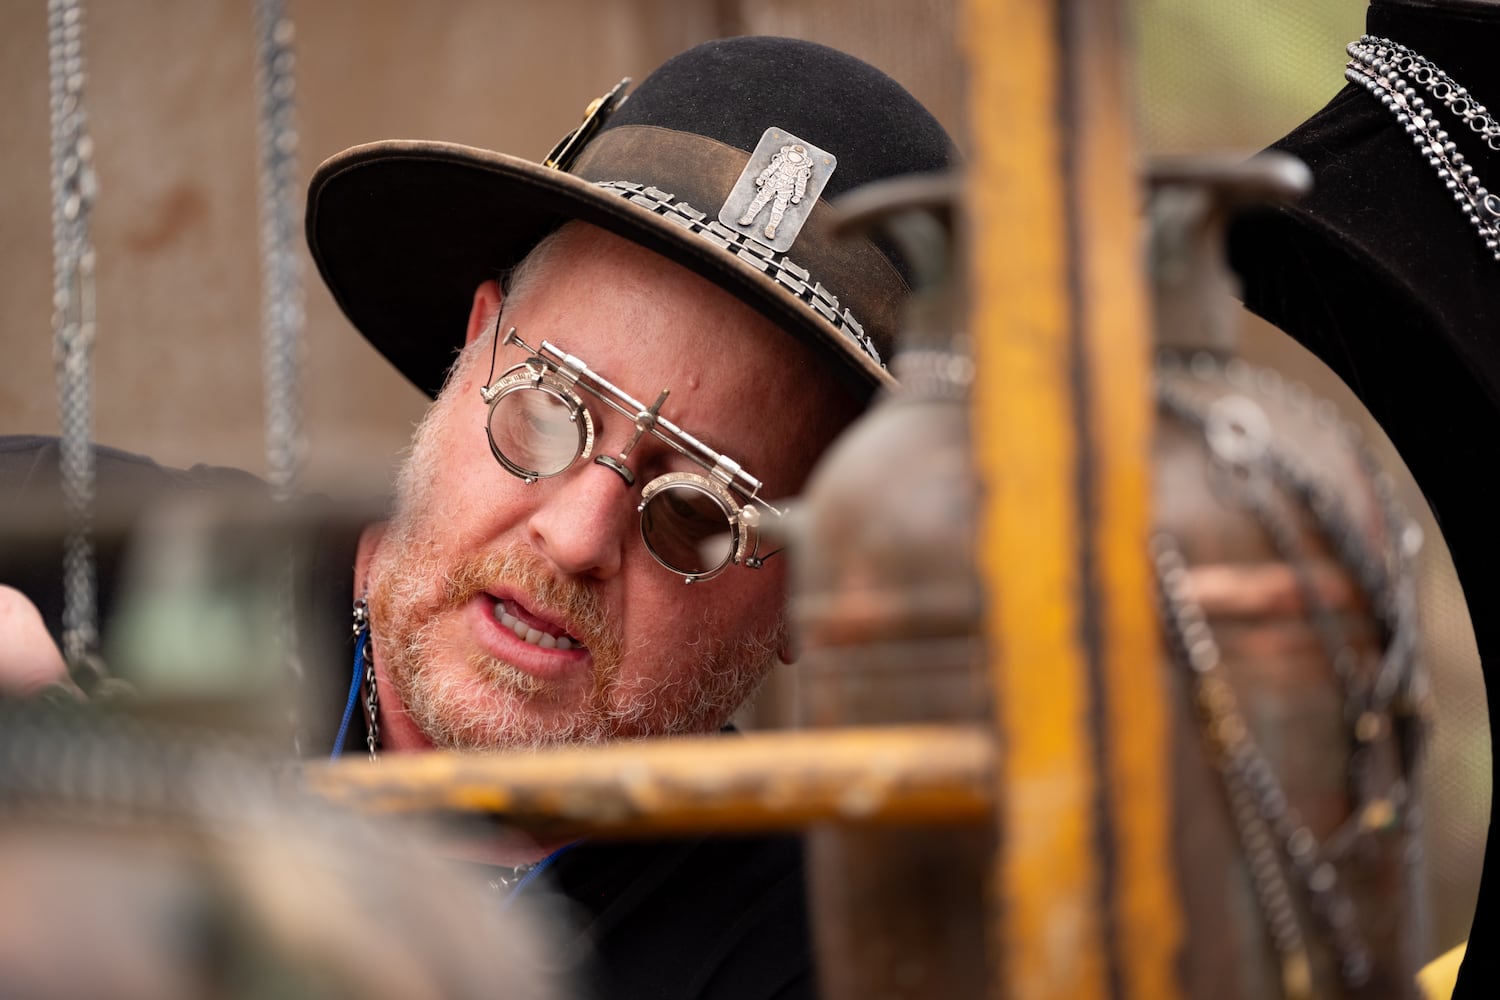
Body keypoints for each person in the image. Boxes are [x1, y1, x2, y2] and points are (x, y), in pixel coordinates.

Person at [3, 35, 956, 999]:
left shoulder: (818, 954)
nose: (578, 536)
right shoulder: (61, 559)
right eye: (547, 409)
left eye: (695, 513)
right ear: (471, 350)